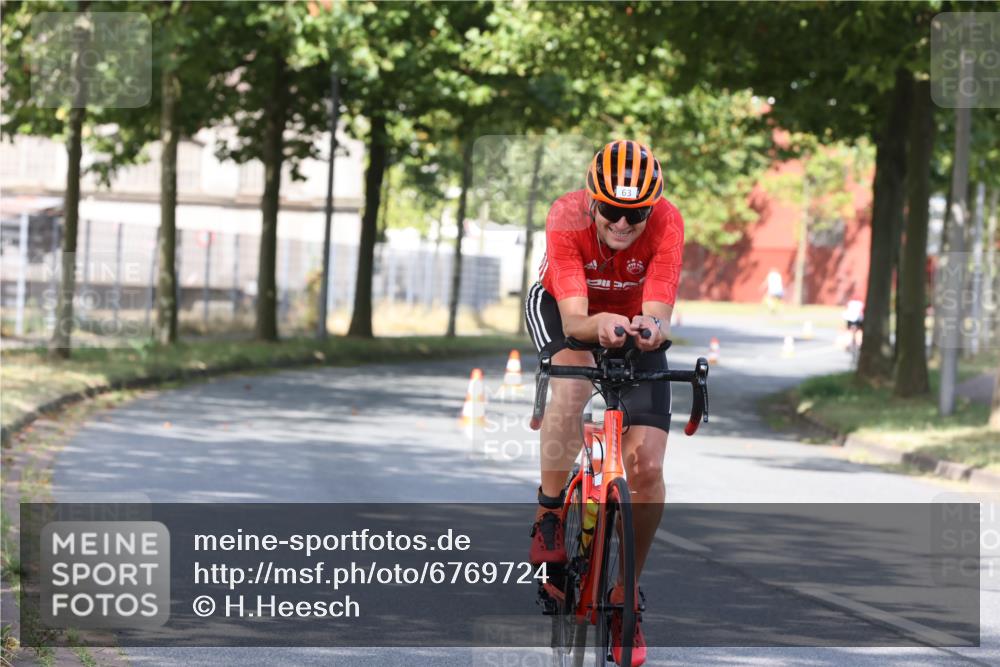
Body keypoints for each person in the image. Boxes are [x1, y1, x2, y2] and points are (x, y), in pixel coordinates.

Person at [525, 140, 683, 666]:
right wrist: (599, 326)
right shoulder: (566, 216)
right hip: (567, 308)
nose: (621, 222)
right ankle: (550, 511)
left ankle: (624, 593)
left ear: (651, 209)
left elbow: (658, 313)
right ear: (591, 201)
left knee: (648, 464)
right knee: (571, 386)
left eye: (634, 214)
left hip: (630, 319)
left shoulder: (668, 223)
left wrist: (648, 329)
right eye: (611, 210)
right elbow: (574, 322)